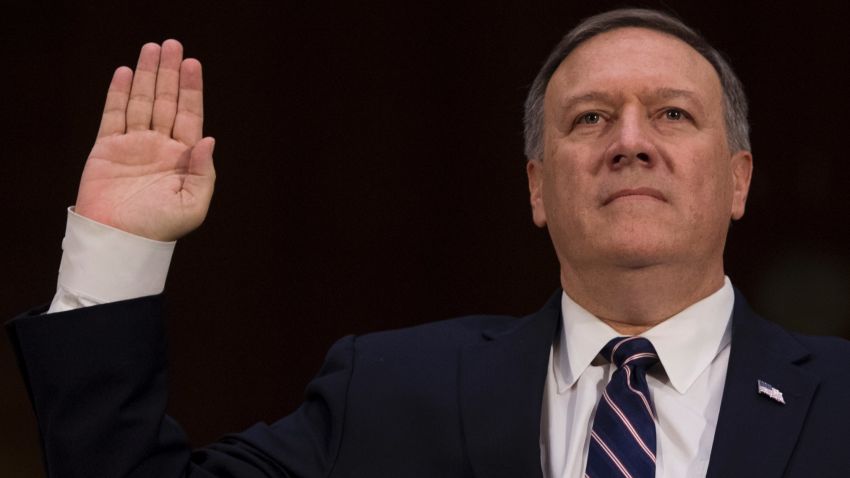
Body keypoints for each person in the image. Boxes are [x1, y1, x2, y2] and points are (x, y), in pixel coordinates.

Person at [7, 7, 850, 478]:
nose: (630, 141)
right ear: (536, 188)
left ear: (739, 180)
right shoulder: (389, 392)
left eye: (672, 113)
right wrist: (116, 253)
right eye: (589, 119)